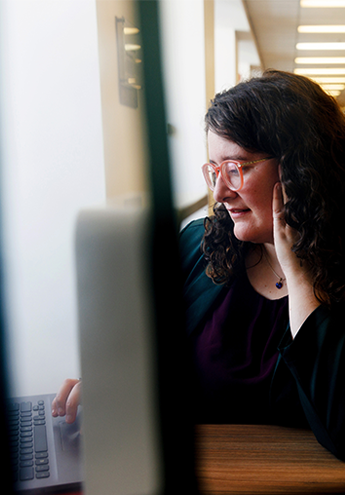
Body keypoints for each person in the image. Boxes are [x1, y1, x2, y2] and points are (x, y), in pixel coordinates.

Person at [53, 70, 345, 461]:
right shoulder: (199, 246)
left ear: (298, 169)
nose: (221, 192)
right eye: (214, 171)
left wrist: (299, 275)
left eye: (236, 168)